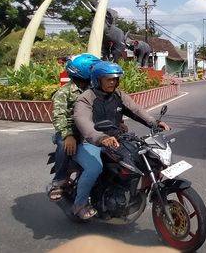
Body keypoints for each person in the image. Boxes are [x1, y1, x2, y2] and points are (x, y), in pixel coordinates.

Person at [72, 61, 171, 220]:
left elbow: (136, 110)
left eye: (115, 79)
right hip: (91, 141)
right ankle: (80, 204)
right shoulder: (86, 98)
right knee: (94, 168)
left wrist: (154, 123)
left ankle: (127, 195)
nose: (113, 82)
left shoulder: (118, 95)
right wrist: (100, 137)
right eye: (108, 79)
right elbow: (83, 121)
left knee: (140, 158)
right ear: (98, 79)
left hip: (116, 138)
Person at [49, 53, 101, 202]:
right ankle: (58, 181)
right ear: (83, 71)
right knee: (62, 145)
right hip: (72, 130)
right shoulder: (63, 92)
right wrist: (67, 135)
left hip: (91, 129)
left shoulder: (94, 88)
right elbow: (59, 116)